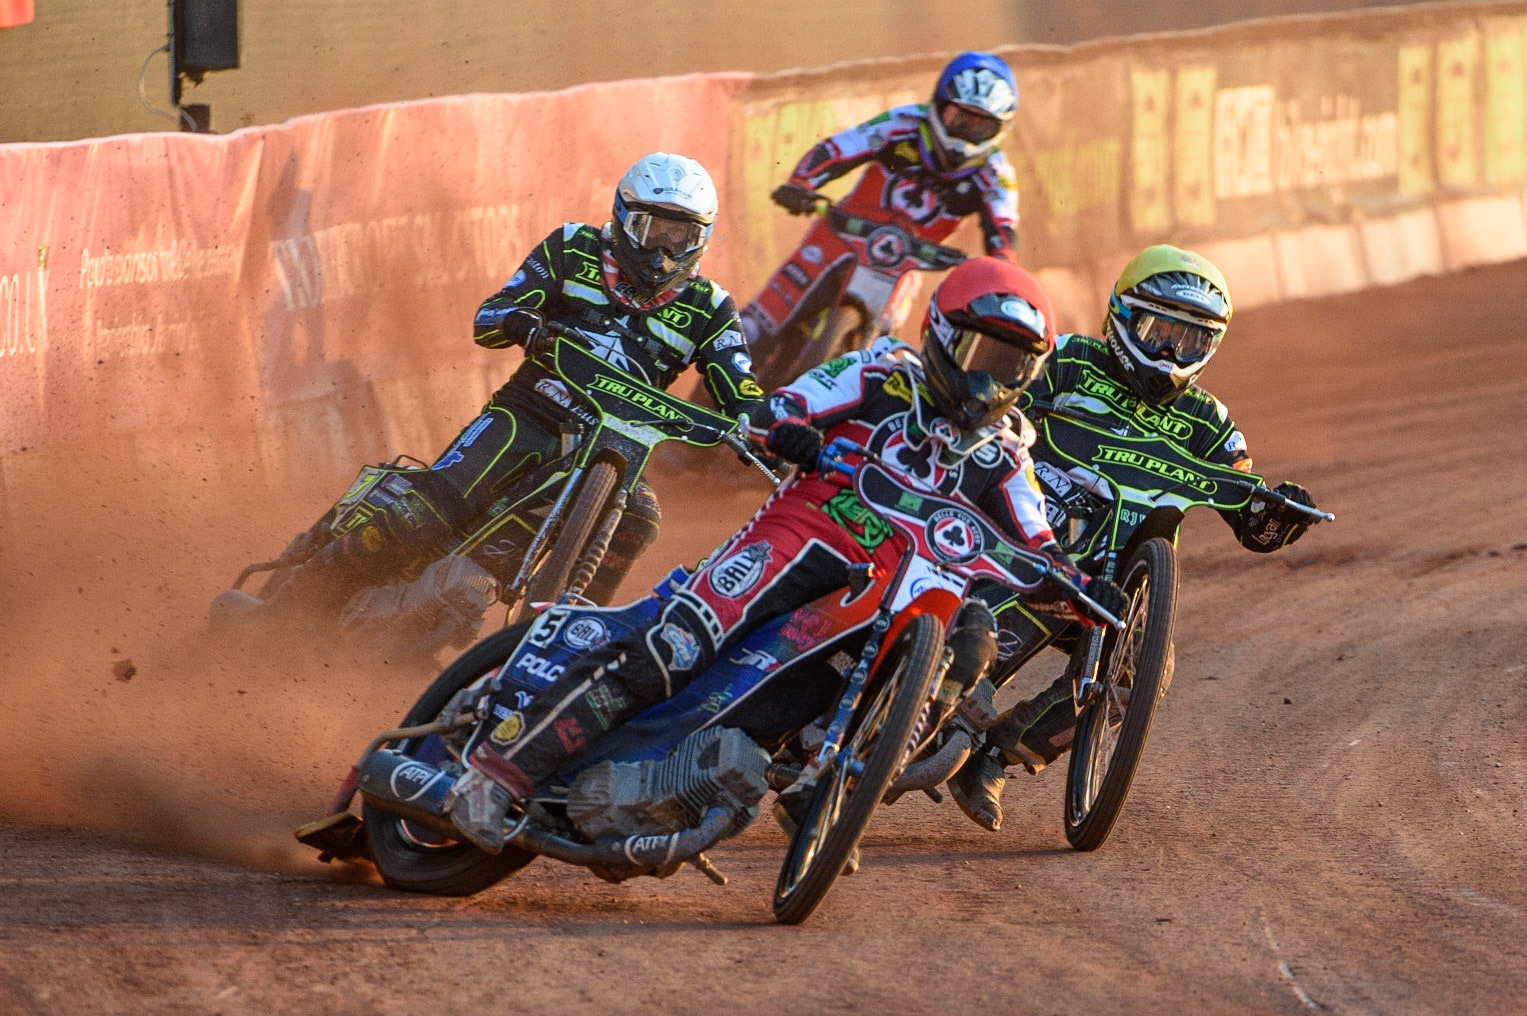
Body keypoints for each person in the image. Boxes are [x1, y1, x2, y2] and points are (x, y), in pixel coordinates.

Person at [443, 256, 1128, 854]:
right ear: (944, 337)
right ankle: (497, 772)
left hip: (883, 592)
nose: (991, 381)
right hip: (803, 534)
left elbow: (1036, 538)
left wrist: (1075, 584)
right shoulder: (882, 372)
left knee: (912, 663)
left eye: (1011, 366)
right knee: (676, 645)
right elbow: (784, 406)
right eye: (983, 357)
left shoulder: (1008, 452)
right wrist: (787, 431)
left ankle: (822, 782)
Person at [261, 153, 765, 620]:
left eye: (679, 236)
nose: (662, 249)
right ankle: (293, 602)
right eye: (652, 229)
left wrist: (764, 426)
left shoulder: (710, 306)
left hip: (614, 448)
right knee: (429, 511)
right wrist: (524, 323)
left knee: (641, 517)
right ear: (623, 218)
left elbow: (741, 387)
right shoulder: (574, 248)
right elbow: (492, 315)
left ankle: (571, 642)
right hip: (528, 414)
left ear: (701, 238)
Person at [947, 244, 1321, 832]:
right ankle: (931, 701)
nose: (1171, 353)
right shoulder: (1069, 359)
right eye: (1158, 330)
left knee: (1145, 668)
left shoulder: (1211, 423)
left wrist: (1284, 515)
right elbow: (989, 415)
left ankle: (995, 756)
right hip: (1020, 545)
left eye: (1192, 341)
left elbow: (1253, 524)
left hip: (1121, 586)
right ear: (1121, 315)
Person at [739, 51, 1022, 355]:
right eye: (962, 118)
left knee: (879, 354)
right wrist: (801, 183)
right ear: (938, 106)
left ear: (999, 129)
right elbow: (842, 147)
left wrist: (1000, 265)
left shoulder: (996, 173)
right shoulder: (902, 123)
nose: (968, 132)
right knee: (752, 329)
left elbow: (1003, 226)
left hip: (909, 260)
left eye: (981, 126)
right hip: (841, 233)